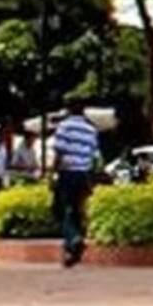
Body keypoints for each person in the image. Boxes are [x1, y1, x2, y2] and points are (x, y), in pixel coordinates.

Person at [52, 99, 100, 268]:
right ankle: (72, 252)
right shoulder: (91, 129)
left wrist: (53, 172)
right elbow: (94, 155)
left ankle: (73, 238)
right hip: (84, 173)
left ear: (69, 110)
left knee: (60, 209)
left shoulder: (64, 126)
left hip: (68, 171)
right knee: (77, 210)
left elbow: (59, 150)